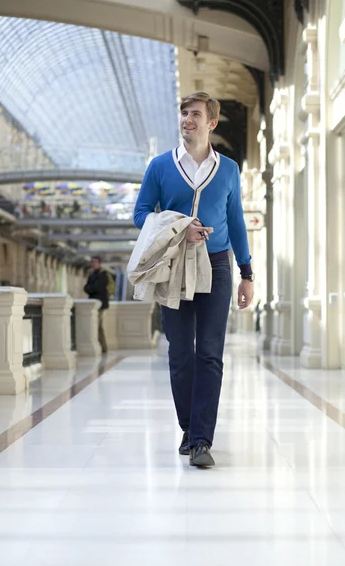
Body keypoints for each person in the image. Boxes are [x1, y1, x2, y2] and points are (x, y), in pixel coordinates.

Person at [134, 92, 254, 468]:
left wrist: (246, 273)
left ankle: (201, 439)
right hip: (174, 265)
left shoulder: (230, 169)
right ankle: (188, 426)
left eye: (195, 114)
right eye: (184, 113)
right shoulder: (160, 166)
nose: (187, 119)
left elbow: (236, 222)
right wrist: (177, 228)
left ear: (211, 123)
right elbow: (140, 214)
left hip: (218, 265)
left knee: (211, 353)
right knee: (180, 352)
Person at [84, 256, 109, 354]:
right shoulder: (92, 274)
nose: (93, 264)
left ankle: (103, 347)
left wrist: (91, 288)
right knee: (95, 325)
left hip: (100, 305)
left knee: (98, 325)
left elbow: (98, 287)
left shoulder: (103, 274)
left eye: (95, 262)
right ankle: (100, 346)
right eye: (92, 262)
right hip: (93, 304)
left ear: (99, 263)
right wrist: (91, 288)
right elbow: (86, 288)